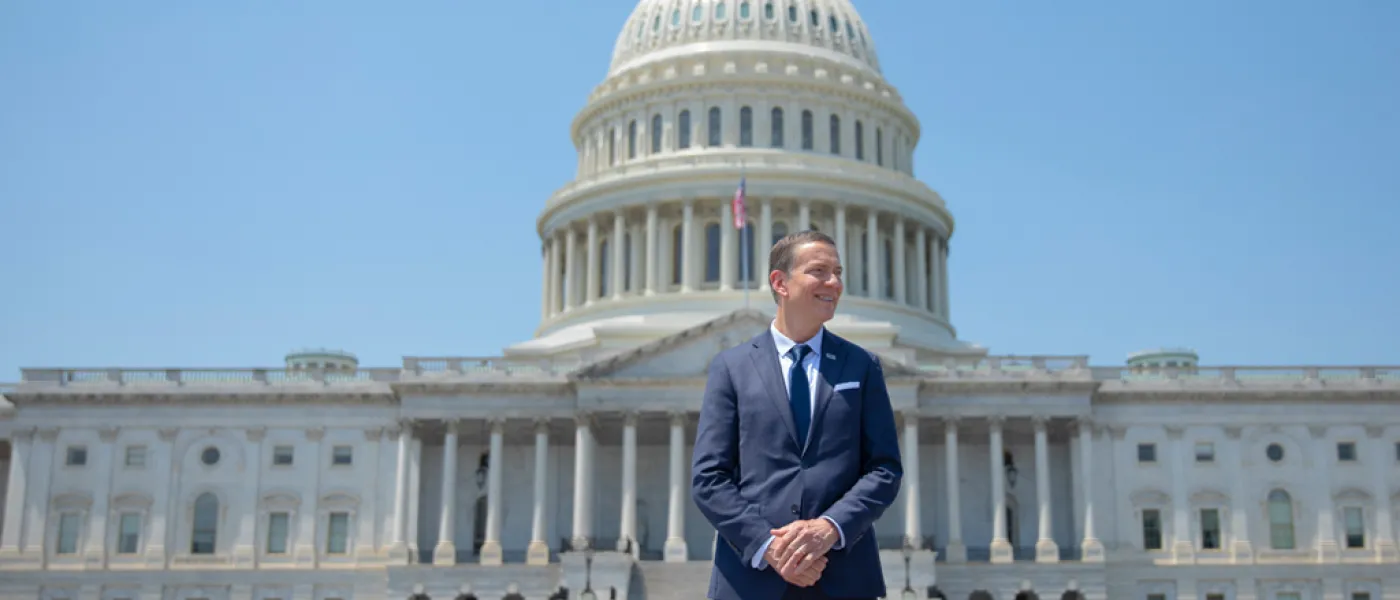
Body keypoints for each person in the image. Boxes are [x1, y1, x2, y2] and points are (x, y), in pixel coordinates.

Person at [691, 230, 903, 600]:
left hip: (842, 574)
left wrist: (829, 528)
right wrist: (769, 547)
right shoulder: (731, 367)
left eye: (838, 272)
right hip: (751, 579)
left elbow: (884, 469)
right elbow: (709, 478)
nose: (834, 282)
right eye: (819, 271)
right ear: (780, 282)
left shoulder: (862, 365)